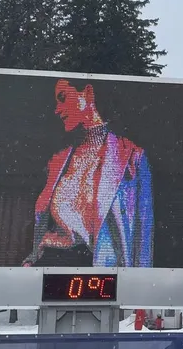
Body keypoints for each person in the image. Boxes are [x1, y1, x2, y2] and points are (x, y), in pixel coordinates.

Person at [22, 78, 154, 269]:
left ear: (88, 93)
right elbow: (44, 226)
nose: (57, 109)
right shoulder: (58, 160)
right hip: (50, 268)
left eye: (63, 97)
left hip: (100, 273)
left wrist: (141, 286)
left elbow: (143, 238)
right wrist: (32, 259)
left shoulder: (132, 157)